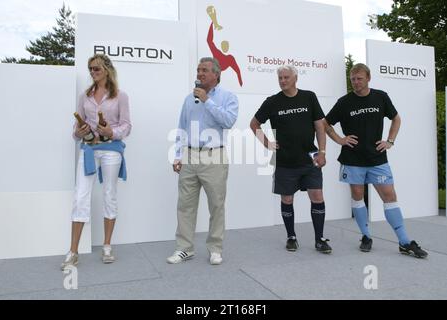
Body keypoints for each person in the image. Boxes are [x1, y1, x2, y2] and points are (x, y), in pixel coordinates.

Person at [324, 63, 428, 258]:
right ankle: (366, 236)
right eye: (353, 79)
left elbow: (396, 118)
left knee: (389, 195)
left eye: (359, 78)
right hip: (352, 158)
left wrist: (390, 141)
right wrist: (339, 139)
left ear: (368, 78)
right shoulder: (344, 102)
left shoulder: (380, 96)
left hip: (377, 158)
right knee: (357, 195)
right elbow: (324, 123)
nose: (355, 82)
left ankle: (405, 242)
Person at [250, 65, 332, 254]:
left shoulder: (309, 97)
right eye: (280, 78)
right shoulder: (272, 102)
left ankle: (319, 239)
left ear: (296, 78)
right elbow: (254, 124)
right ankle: (291, 237)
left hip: (310, 159)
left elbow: (320, 126)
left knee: (317, 196)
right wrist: (267, 143)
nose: (283, 81)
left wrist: (322, 151)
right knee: (287, 199)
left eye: (286, 77)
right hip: (285, 161)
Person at [61, 54, 132, 270]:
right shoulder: (85, 96)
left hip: (112, 151)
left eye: (96, 69)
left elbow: (127, 126)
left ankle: (107, 246)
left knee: (109, 194)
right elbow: (76, 130)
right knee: (80, 196)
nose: (92, 72)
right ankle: (73, 252)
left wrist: (112, 131)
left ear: (107, 70)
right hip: (89, 149)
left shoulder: (120, 96)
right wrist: (80, 131)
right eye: (90, 69)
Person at [167, 57, 239, 265]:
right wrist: (177, 154)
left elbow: (228, 121)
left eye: (204, 70)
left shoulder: (228, 97)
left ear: (216, 74)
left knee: (216, 205)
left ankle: (215, 248)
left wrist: (207, 100)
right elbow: (181, 127)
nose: (199, 74)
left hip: (214, 156)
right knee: (185, 205)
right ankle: (184, 248)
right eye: (198, 70)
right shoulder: (189, 99)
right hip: (189, 155)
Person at [206, 5, 243, 87]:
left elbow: (237, 70)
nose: (225, 47)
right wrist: (212, 24)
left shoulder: (230, 58)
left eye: (226, 45)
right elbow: (209, 40)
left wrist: (240, 81)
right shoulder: (217, 53)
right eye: (223, 44)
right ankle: (214, 20)